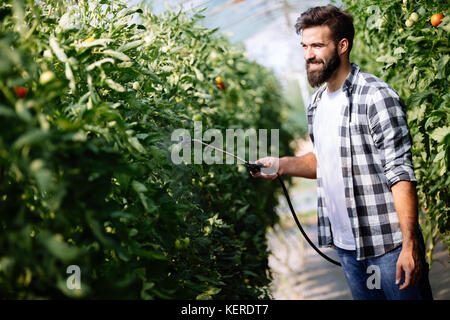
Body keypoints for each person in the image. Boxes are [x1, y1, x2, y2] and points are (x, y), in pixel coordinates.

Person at [251, 5, 433, 300]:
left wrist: (411, 245)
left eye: (317, 45)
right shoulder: (317, 103)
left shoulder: (375, 97)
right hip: (349, 250)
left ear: (342, 46)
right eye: (305, 46)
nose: (309, 54)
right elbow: (325, 162)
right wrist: (281, 165)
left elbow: (400, 173)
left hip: (389, 248)